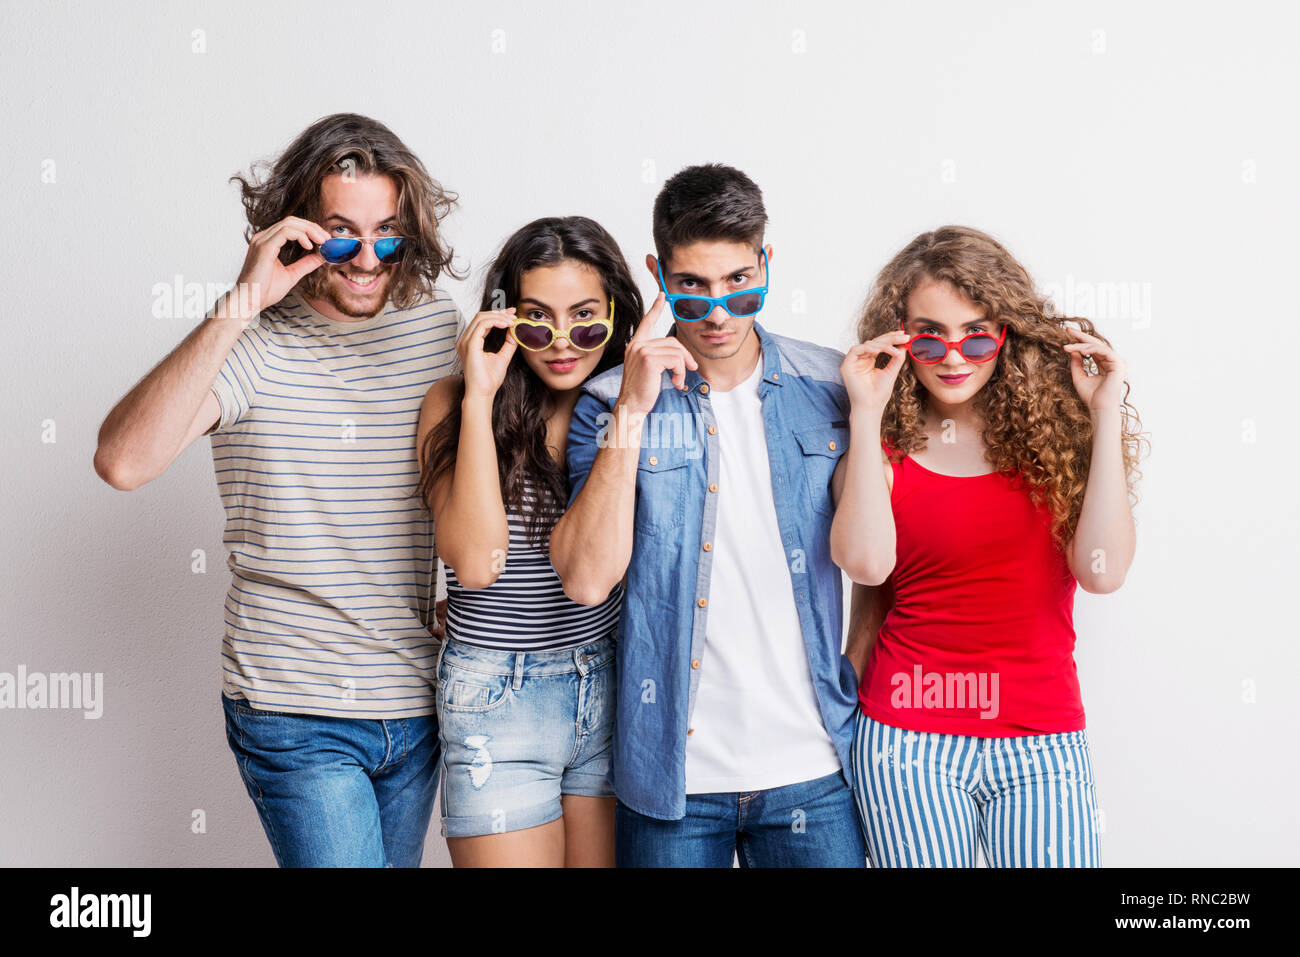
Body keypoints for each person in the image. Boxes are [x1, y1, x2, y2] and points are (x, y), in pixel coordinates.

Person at [93, 113, 465, 867]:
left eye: (387, 233)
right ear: (294, 229)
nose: (367, 258)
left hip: (417, 702)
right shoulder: (249, 345)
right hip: (295, 707)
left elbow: (473, 474)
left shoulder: (434, 328)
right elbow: (122, 461)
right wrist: (242, 302)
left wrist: (471, 589)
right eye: (340, 233)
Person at [551, 164, 867, 867]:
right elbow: (585, 578)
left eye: (738, 282)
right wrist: (634, 410)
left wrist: (850, 677)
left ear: (767, 262)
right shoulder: (608, 403)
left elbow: (875, 558)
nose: (718, 312)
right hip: (673, 782)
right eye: (691, 288)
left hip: (813, 771)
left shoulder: (833, 388)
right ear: (657, 274)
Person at [832, 225, 1146, 867]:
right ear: (899, 338)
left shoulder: (1060, 444)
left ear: (1006, 336)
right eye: (929, 336)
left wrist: (1106, 412)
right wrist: (866, 413)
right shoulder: (881, 451)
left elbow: (1104, 573)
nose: (953, 356)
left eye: (976, 335)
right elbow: (864, 564)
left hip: (1043, 739)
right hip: (907, 741)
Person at [414, 217, 637, 866]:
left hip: (607, 680)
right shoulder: (453, 403)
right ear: (505, 318)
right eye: (538, 319)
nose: (562, 343)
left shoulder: (628, 403)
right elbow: (475, 563)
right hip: (496, 697)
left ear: (617, 313)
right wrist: (482, 396)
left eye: (586, 319)